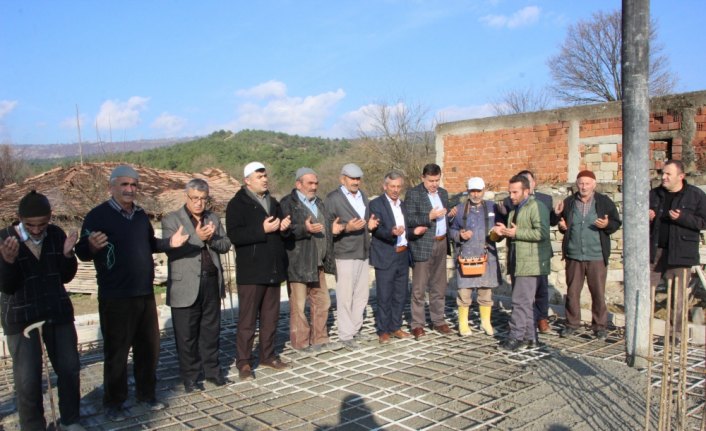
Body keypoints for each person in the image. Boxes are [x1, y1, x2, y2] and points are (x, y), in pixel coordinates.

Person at [75, 165, 188, 421]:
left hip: (144, 294)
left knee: (149, 348)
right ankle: (114, 402)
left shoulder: (140, 215)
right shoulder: (97, 216)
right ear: (112, 187)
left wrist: (171, 243)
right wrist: (90, 246)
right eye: (124, 184)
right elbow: (82, 252)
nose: (129, 189)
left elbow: (150, 244)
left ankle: (146, 395)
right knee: (117, 352)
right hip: (116, 296)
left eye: (134, 185)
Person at [0, 191, 85, 431]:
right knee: (28, 380)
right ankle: (33, 426)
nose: (37, 230)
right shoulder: (5, 238)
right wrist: (7, 262)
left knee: (69, 369)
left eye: (42, 224)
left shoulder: (56, 234)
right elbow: (6, 286)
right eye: (31, 225)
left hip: (56, 312)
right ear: (19, 218)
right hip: (21, 318)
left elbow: (66, 276)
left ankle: (70, 420)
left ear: (50, 218)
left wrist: (68, 255)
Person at [162, 179, 232, 392]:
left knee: (211, 331)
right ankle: (190, 377)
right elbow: (171, 249)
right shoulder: (172, 220)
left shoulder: (212, 218)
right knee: (186, 335)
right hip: (185, 285)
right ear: (187, 198)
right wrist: (198, 237)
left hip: (211, 281)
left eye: (203, 199)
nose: (199, 203)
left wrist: (211, 240)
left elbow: (225, 244)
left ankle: (213, 371)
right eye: (195, 198)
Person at [226, 162, 291, 380]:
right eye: (260, 176)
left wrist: (283, 228)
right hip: (251, 271)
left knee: (270, 317)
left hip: (272, 268)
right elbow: (235, 236)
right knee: (247, 320)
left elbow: (280, 232)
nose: (265, 179)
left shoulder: (273, 202)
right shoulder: (237, 204)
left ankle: (267, 354)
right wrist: (261, 230)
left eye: (265, 175)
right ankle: (243, 362)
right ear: (247, 180)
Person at [280, 168, 342, 354]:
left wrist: (334, 230)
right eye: (310, 183)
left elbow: (325, 228)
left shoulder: (319, 203)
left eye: (316, 183)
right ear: (298, 184)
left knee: (323, 302)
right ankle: (300, 343)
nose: (314, 187)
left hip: (318, 262)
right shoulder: (287, 203)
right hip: (298, 262)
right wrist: (304, 229)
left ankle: (320, 339)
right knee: (299, 305)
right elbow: (284, 231)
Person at [554, 170, 621, 339]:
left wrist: (606, 224)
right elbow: (563, 224)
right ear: (577, 184)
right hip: (574, 254)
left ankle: (599, 327)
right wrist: (562, 226)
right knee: (573, 292)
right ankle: (571, 324)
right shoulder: (569, 202)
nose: (584, 187)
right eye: (581, 183)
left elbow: (615, 222)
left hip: (596, 255)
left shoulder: (604, 202)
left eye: (587, 183)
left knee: (597, 292)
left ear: (594, 184)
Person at [492, 175, 551, 351]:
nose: (511, 195)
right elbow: (514, 233)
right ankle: (531, 338)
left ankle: (515, 338)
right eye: (510, 192)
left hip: (530, 262)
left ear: (526, 191)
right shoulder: (514, 210)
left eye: (515, 192)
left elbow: (542, 233)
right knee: (524, 302)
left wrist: (516, 233)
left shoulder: (537, 207)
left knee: (519, 302)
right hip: (517, 261)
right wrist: (502, 231)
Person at [649, 159, 706, 341]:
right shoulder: (653, 194)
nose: (663, 177)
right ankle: (644, 331)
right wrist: (647, 216)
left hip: (680, 252)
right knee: (645, 291)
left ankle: (675, 336)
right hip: (654, 250)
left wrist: (683, 218)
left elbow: (703, 221)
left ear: (681, 176)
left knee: (677, 296)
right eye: (662, 173)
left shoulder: (696, 195)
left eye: (668, 174)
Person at [325, 163, 379, 350]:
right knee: (345, 295)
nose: (356, 182)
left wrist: (369, 225)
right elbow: (328, 227)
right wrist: (347, 228)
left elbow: (364, 221)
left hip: (363, 250)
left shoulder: (363, 195)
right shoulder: (333, 198)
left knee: (361, 295)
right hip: (344, 252)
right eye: (352, 179)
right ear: (343, 179)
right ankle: (345, 334)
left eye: (358, 179)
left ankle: (355, 329)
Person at [369, 171, 427, 344]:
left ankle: (395, 327)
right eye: (392, 186)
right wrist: (391, 232)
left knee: (400, 294)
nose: (395, 190)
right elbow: (376, 229)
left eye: (398, 186)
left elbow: (405, 229)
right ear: (385, 186)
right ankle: (383, 330)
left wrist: (413, 232)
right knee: (385, 295)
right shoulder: (376, 204)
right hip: (386, 254)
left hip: (403, 254)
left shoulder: (402, 205)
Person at [406, 163, 456, 339]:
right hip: (422, 244)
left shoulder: (442, 193)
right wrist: (429, 217)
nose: (434, 184)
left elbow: (446, 213)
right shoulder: (413, 194)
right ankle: (417, 324)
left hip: (442, 243)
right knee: (419, 288)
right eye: (431, 181)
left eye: (437, 180)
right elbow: (409, 219)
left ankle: (438, 320)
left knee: (439, 285)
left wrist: (450, 213)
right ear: (423, 178)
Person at [449, 177, 501, 337]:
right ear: (468, 191)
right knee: (464, 293)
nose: (476, 194)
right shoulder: (458, 209)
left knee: (486, 292)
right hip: (466, 256)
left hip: (487, 255)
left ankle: (486, 322)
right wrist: (459, 235)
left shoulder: (494, 208)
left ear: (484, 190)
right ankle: (463, 324)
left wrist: (497, 234)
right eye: (473, 191)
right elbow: (450, 231)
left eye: (478, 191)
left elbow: (502, 226)